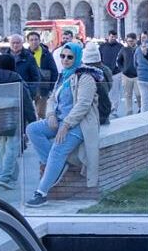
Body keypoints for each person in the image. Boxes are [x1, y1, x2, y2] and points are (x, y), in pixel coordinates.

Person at [25, 42, 104, 207]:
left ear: (77, 58)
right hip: (59, 119)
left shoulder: (85, 77)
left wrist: (66, 124)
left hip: (79, 123)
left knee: (57, 149)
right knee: (32, 129)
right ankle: (56, 166)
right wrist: (50, 114)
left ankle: (41, 192)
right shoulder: (63, 75)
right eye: (62, 56)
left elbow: (83, 104)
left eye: (70, 57)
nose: (65, 60)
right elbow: (52, 99)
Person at [0, 51, 38, 190]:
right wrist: (32, 121)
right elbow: (27, 102)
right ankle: (4, 176)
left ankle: (11, 177)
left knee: (4, 148)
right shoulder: (17, 79)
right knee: (12, 148)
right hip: (14, 117)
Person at [20, 30, 53, 115]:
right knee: (28, 112)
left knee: (41, 113)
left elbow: (53, 70)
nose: (34, 42)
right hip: (29, 87)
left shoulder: (46, 54)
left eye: (36, 39)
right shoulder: (24, 54)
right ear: (28, 41)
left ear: (39, 40)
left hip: (43, 87)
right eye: (31, 40)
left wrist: (51, 87)